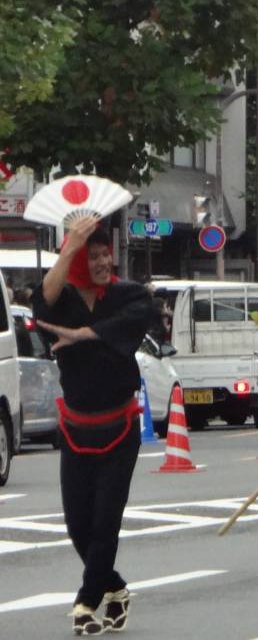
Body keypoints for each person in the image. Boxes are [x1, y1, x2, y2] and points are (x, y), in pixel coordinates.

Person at [32, 216, 156, 636]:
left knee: (106, 520)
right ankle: (114, 587)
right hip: (76, 426)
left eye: (106, 254)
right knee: (77, 524)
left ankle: (86, 603)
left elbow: (145, 313)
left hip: (120, 426)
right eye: (95, 255)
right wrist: (71, 246)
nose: (104, 262)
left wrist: (87, 333)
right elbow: (40, 304)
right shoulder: (62, 297)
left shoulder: (125, 295)